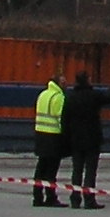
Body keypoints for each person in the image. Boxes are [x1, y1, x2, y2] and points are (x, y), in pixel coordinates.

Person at [60, 71, 110, 210]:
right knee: (90, 170)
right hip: (92, 139)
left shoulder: (71, 97)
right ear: (88, 80)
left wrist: (66, 137)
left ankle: (75, 198)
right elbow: (108, 98)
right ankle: (89, 199)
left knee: (77, 170)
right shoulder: (93, 96)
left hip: (76, 139)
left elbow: (65, 119)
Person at [31, 75, 66, 208]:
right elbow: (60, 118)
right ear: (58, 83)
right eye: (63, 82)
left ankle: (37, 197)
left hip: (40, 134)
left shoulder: (43, 94)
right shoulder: (58, 97)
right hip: (53, 136)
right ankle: (51, 197)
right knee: (51, 170)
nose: (66, 84)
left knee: (41, 168)